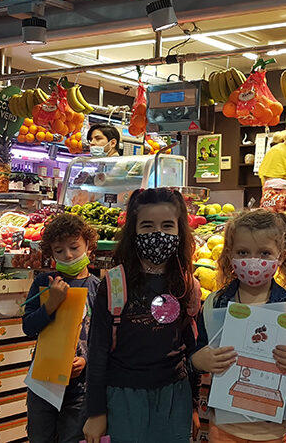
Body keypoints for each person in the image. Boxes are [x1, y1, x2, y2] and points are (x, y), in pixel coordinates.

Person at [83, 188, 201, 443]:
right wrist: (96, 411)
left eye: (167, 226)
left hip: (174, 398)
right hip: (124, 398)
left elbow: (190, 347)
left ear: (180, 231)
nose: (158, 234)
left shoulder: (186, 284)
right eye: (147, 226)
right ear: (133, 232)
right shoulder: (115, 283)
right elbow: (98, 352)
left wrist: (193, 405)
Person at [191, 209, 286, 443]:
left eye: (264, 253)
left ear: (281, 256)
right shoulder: (215, 304)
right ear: (229, 254)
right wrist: (199, 360)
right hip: (224, 428)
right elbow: (195, 355)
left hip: (274, 432)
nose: (253, 261)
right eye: (243, 252)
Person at [22, 214, 100, 443]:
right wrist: (51, 304)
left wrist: (86, 360)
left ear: (88, 245)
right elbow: (28, 326)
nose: (68, 255)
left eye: (74, 247)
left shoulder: (98, 288)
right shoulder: (44, 283)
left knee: (73, 437)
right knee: (39, 436)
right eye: (59, 250)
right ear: (51, 254)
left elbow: (103, 336)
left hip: (80, 388)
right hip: (42, 383)